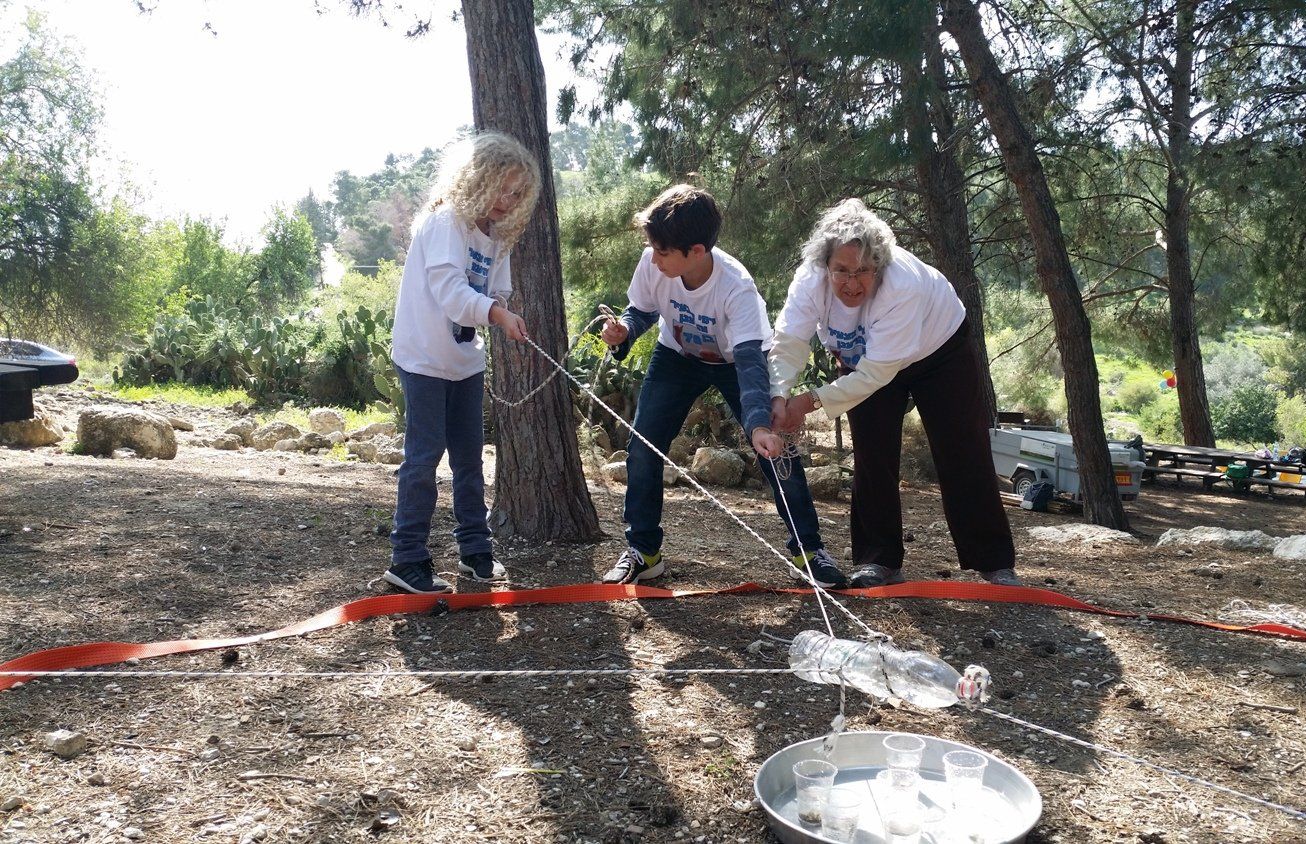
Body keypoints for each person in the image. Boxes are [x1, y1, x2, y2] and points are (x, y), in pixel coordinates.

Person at [599, 184, 848, 588]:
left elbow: (751, 366)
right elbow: (642, 310)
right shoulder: (653, 261)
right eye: (653, 249)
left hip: (736, 364)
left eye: (664, 252)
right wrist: (625, 329)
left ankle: (810, 551)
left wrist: (759, 428)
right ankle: (644, 552)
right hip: (676, 358)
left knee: (775, 450)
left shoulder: (738, 290)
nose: (654, 257)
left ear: (696, 251)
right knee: (643, 446)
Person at [768, 198, 1019, 588]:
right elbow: (789, 342)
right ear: (825, 266)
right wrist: (778, 396)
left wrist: (810, 402)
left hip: (939, 352)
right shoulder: (809, 281)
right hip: (863, 357)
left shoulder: (903, 286)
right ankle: (879, 559)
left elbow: (876, 375)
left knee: (962, 449)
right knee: (872, 452)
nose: (852, 284)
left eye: (863, 271)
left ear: (880, 265)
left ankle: (993, 561)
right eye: (841, 272)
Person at [383, 132, 539, 594]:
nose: (507, 201)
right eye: (502, 189)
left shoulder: (497, 236)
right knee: (424, 457)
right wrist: (495, 313)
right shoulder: (444, 223)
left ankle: (475, 552)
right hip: (424, 358)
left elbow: (498, 290)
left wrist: (499, 308)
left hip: (465, 363)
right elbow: (453, 295)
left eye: (517, 194)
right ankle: (407, 557)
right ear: (478, 178)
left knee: (470, 460)